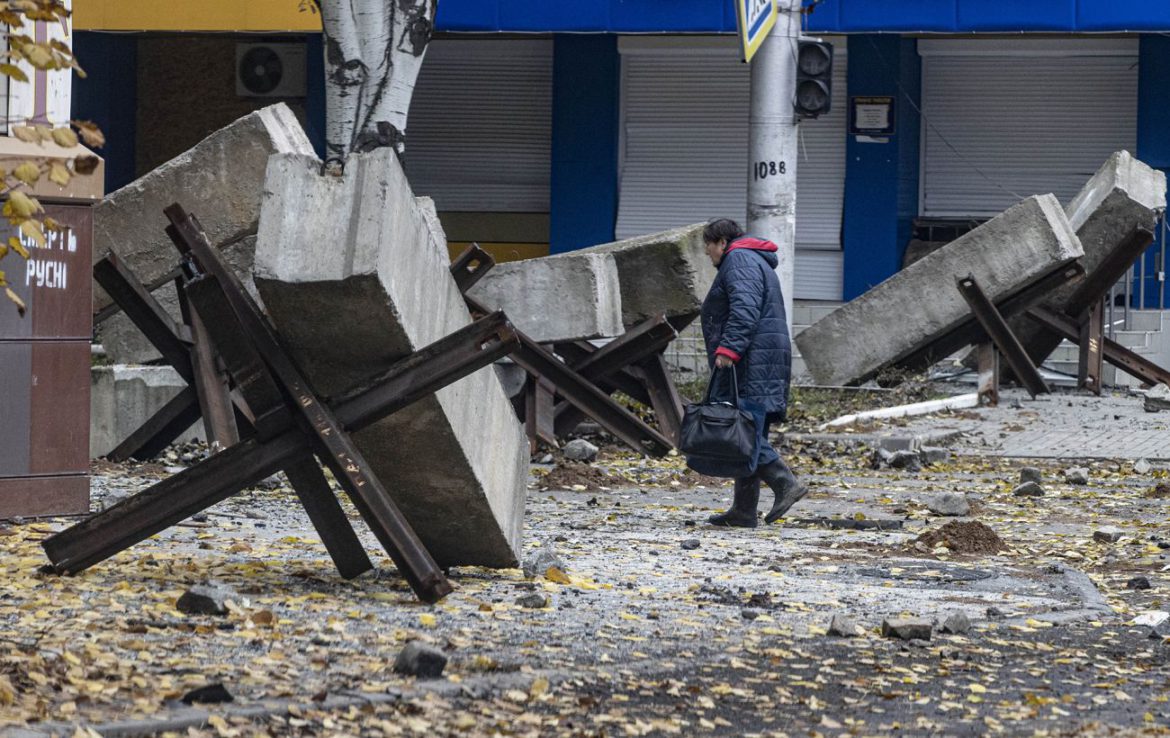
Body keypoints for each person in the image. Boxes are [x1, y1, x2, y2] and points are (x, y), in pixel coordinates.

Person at [699, 218, 807, 527]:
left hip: (750, 361)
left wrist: (728, 350)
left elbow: (744, 308)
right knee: (747, 429)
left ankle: (785, 482)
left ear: (721, 242)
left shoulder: (739, 259)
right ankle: (744, 510)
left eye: (708, 247)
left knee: (741, 432)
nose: (708, 254)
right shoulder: (749, 259)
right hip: (760, 359)